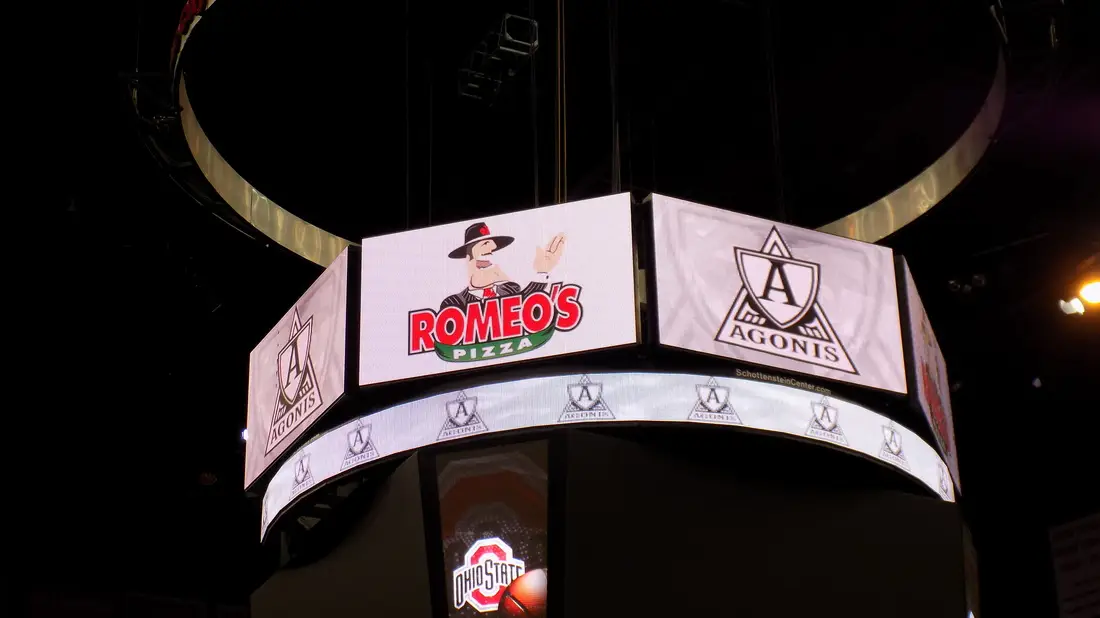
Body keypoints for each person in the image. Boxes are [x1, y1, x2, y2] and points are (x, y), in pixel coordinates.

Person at [440, 222, 567, 310]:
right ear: (468, 258)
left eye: (493, 251)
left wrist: (542, 271)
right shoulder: (454, 303)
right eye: (485, 249)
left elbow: (525, 306)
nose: (491, 255)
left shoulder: (510, 289)